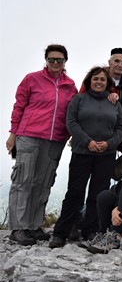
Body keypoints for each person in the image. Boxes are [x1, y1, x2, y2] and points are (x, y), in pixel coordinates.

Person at [6, 44, 78, 245]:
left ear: (65, 62)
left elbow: (71, 113)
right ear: (45, 60)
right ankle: (18, 228)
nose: (55, 63)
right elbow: (19, 106)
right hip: (28, 136)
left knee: (43, 182)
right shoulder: (32, 79)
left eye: (60, 60)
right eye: (51, 59)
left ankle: (34, 225)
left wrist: (71, 134)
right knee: (23, 180)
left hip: (55, 139)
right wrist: (13, 135)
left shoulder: (70, 85)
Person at [49, 66, 122, 248]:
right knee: (75, 193)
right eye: (95, 79)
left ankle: (91, 230)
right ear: (89, 81)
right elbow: (71, 122)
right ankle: (61, 232)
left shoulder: (115, 103)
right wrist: (87, 141)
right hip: (82, 152)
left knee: (97, 194)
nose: (99, 82)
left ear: (107, 83)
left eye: (102, 79)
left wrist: (109, 144)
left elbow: (121, 128)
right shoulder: (79, 99)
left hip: (106, 154)